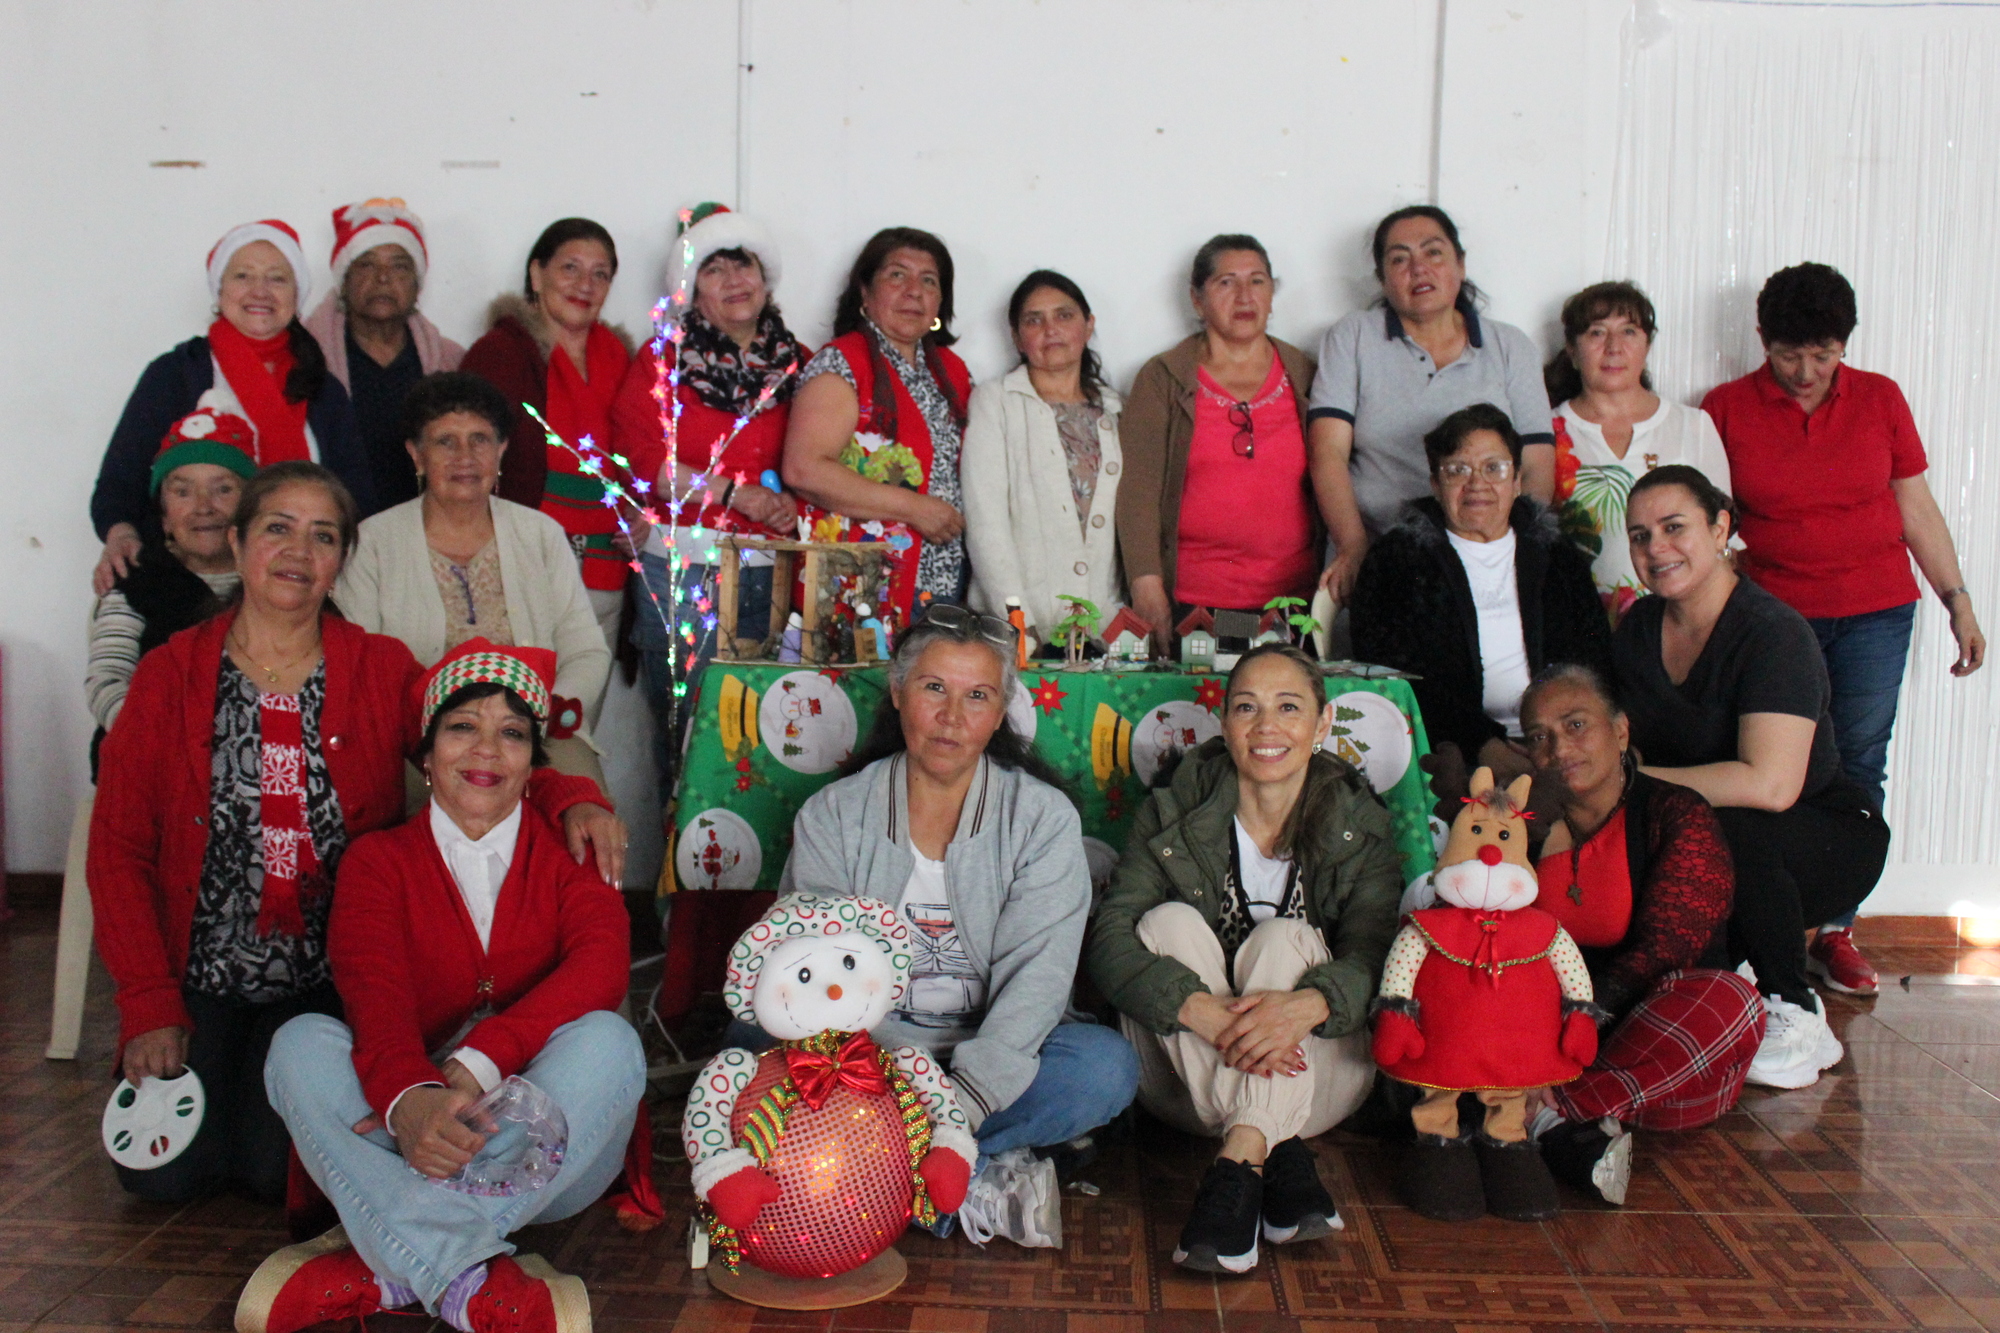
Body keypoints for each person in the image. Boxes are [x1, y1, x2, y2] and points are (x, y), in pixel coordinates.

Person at [87, 462, 627, 1206]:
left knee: (264, 1167)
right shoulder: (168, 677)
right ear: (241, 542)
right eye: (278, 527)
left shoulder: (377, 668)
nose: (299, 552)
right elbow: (118, 850)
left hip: (325, 981)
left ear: (341, 559)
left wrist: (571, 795)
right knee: (160, 1174)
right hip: (199, 972)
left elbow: (476, 743)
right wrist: (148, 1002)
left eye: (324, 536)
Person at [240, 640, 643, 1333]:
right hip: (410, 1137)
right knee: (300, 1043)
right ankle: (464, 1277)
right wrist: (412, 1101)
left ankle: (387, 1264)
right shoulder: (377, 861)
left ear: (532, 762)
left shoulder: (576, 848)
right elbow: (376, 999)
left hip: (537, 1155)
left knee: (610, 1041)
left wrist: (476, 1061)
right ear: (426, 754)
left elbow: (601, 966)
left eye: (512, 733)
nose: (486, 750)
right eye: (462, 727)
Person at [777, 606, 1139, 1247]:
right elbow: (815, 979)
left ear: (1000, 713)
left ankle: (897, 1171)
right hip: (874, 1058)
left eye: (978, 696)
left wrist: (960, 1104)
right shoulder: (834, 814)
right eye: (934, 688)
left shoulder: (1039, 818)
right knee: (754, 1046)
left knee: (1103, 1068)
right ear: (897, 694)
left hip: (999, 1054)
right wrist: (896, 1083)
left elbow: (1040, 982)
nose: (953, 716)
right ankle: (958, 1178)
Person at [1702, 262, 1986, 997]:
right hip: (1773, 620)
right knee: (1773, 771)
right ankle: (1766, 925)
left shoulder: (1881, 398)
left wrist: (1956, 597)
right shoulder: (1726, 408)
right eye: (1789, 353)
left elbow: (1916, 508)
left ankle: (1836, 928)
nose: (1805, 371)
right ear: (1762, 340)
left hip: (1875, 615)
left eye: (1823, 353)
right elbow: (1712, 527)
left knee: (1859, 765)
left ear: (1845, 345)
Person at [1090, 644, 1403, 1275]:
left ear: (1320, 726)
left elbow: (1378, 954)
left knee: (1283, 940)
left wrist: (1311, 1004)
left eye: (1288, 707)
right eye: (1246, 708)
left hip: (1319, 1080)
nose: (1266, 727)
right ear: (1225, 725)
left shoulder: (1359, 822)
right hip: (1181, 1080)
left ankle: (1241, 1155)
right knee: (1165, 922)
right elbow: (1109, 939)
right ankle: (1269, 1155)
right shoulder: (1174, 808)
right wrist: (1195, 1009)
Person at [1613, 465, 1888, 1090]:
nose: (1655, 548)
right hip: (1712, 833)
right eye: (1639, 535)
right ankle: (1721, 986)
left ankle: (1794, 1006)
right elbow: (1617, 742)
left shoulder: (1773, 634)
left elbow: (1771, 785)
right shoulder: (1636, 628)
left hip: (1824, 835)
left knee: (1726, 818)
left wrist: (1629, 782)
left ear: (1721, 529)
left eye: (1674, 527)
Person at [1515, 663, 1764, 1206]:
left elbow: (1665, 952)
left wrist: (1571, 1034)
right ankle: (1563, 1132)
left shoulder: (1676, 813)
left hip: (1657, 1051)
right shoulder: (1519, 829)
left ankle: (1537, 1114)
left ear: (1621, 731)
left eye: (1576, 725)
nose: (1559, 748)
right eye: (1540, 736)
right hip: (1534, 1043)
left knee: (1732, 1002)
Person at [610, 204, 808, 789]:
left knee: (765, 725)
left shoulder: (800, 361)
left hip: (768, 569)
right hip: (681, 567)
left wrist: (791, 501)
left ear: (764, 274)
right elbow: (642, 463)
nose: (734, 281)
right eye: (714, 270)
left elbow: (814, 458)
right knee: (687, 731)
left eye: (741, 264)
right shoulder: (662, 360)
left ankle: (755, 876)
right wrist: (732, 493)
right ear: (692, 291)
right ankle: (683, 875)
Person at [333, 373, 611, 782]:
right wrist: (439, 731)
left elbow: (586, 650)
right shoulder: (372, 542)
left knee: (587, 819)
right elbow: (360, 669)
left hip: (535, 733)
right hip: (417, 744)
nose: (465, 456)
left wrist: (538, 717)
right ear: (417, 455)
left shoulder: (540, 534)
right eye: (445, 441)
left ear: (501, 450)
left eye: (479, 439)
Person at [91, 219, 374, 595]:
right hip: (189, 584)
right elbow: (119, 483)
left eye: (277, 278)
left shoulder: (321, 386)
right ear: (220, 289)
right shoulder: (177, 373)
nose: (260, 291)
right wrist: (121, 533)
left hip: (302, 583)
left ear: (297, 294)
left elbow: (355, 495)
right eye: (243, 275)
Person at [1308, 205, 1555, 604]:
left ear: (1459, 263)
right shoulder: (1353, 337)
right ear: (1383, 278)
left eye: (1433, 252)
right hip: (1377, 549)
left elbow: (1537, 462)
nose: (1418, 268)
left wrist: (1515, 549)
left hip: (1485, 555)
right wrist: (1353, 547)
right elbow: (1327, 452)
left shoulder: (1510, 346)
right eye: (1400, 258)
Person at [1350, 403, 1611, 776]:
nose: (1477, 483)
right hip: (1450, 751)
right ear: (1435, 485)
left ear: (1517, 481)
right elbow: (1397, 675)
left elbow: (1592, 658)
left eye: (1494, 468)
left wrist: (1560, 741)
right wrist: (1482, 745)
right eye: (1458, 470)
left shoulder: (1556, 555)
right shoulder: (1397, 559)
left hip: (1557, 746)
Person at [1116, 235, 1322, 646]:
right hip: (1196, 607)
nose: (1245, 296)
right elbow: (1138, 491)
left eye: (1258, 281)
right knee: (1204, 705)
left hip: (1292, 607)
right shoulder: (1164, 378)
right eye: (1226, 283)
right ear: (1197, 299)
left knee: (1281, 706)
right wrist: (1145, 584)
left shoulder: (1306, 373)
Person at [781, 227, 973, 618]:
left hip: (944, 588)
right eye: (897, 275)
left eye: (929, 281)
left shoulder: (953, 373)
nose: (914, 291)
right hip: (860, 590)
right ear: (865, 293)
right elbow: (804, 469)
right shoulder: (841, 364)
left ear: (940, 301)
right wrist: (914, 508)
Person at [461, 219, 633, 650]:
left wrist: (642, 510)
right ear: (536, 275)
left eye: (600, 274)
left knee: (582, 709)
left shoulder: (621, 356)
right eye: (570, 268)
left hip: (607, 571)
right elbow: (467, 461)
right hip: (524, 567)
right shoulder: (500, 354)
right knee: (520, 705)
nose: (585, 285)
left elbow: (641, 450)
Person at [1543, 281, 1731, 618]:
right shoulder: (1546, 433)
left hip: (1681, 621)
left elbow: (1725, 544)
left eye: (1628, 331)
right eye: (1597, 333)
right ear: (1571, 350)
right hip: (1576, 620)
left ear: (1647, 344)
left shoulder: (1693, 425)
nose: (1614, 347)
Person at [85, 410, 256, 775]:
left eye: (223, 489)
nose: (204, 506)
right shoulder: (137, 581)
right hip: (149, 765)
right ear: (164, 517)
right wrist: (167, 741)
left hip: (253, 769)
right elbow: (107, 682)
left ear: (251, 506)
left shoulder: (272, 581)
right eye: (182, 491)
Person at [963, 270, 1126, 642]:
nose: (1051, 329)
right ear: (1018, 338)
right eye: (1034, 320)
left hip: (1103, 628)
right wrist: (1017, 619)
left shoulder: (1117, 410)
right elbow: (985, 521)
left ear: (1088, 326)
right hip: (1020, 631)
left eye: (1064, 316)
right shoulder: (996, 402)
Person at [303, 199, 467, 511]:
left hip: (426, 533)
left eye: (399, 266)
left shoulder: (451, 363)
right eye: (366, 264)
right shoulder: (305, 361)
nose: (383, 278)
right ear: (344, 281)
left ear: (417, 285)